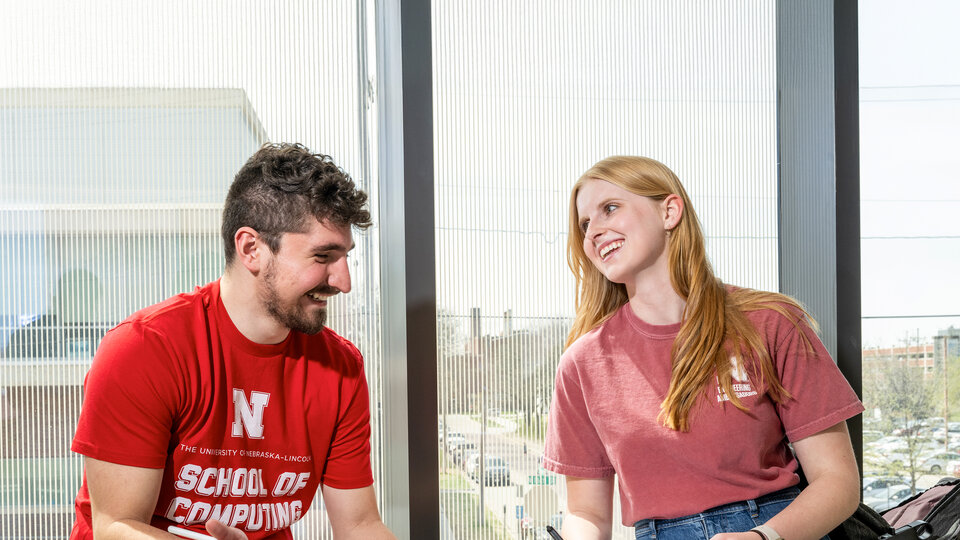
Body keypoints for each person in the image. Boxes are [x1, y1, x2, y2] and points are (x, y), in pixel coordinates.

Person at [69, 143, 396, 540]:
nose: (343, 282)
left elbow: (359, 524)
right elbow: (114, 526)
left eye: (345, 257)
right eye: (323, 256)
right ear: (251, 249)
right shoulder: (144, 349)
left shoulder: (341, 368)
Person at [543, 156, 863, 540]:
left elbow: (838, 481)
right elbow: (586, 513)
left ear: (670, 211)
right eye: (584, 224)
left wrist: (763, 538)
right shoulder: (582, 364)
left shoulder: (771, 321)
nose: (593, 230)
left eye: (609, 208)